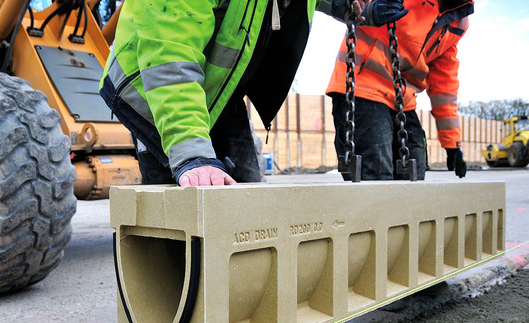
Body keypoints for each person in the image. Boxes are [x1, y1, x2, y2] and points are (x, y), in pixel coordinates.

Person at [100, 0, 405, 188]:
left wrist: (347, 5)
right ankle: (168, 284)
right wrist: (191, 154)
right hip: (152, 90)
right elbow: (169, 58)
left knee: (247, 196)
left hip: (218, 91)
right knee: (175, 210)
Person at [326, 0, 474, 181]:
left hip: (402, 99)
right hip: (363, 85)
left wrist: (452, 144)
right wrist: (370, 10)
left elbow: (444, 84)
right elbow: (352, 5)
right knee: (375, 175)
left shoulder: (458, 19)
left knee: (415, 171)